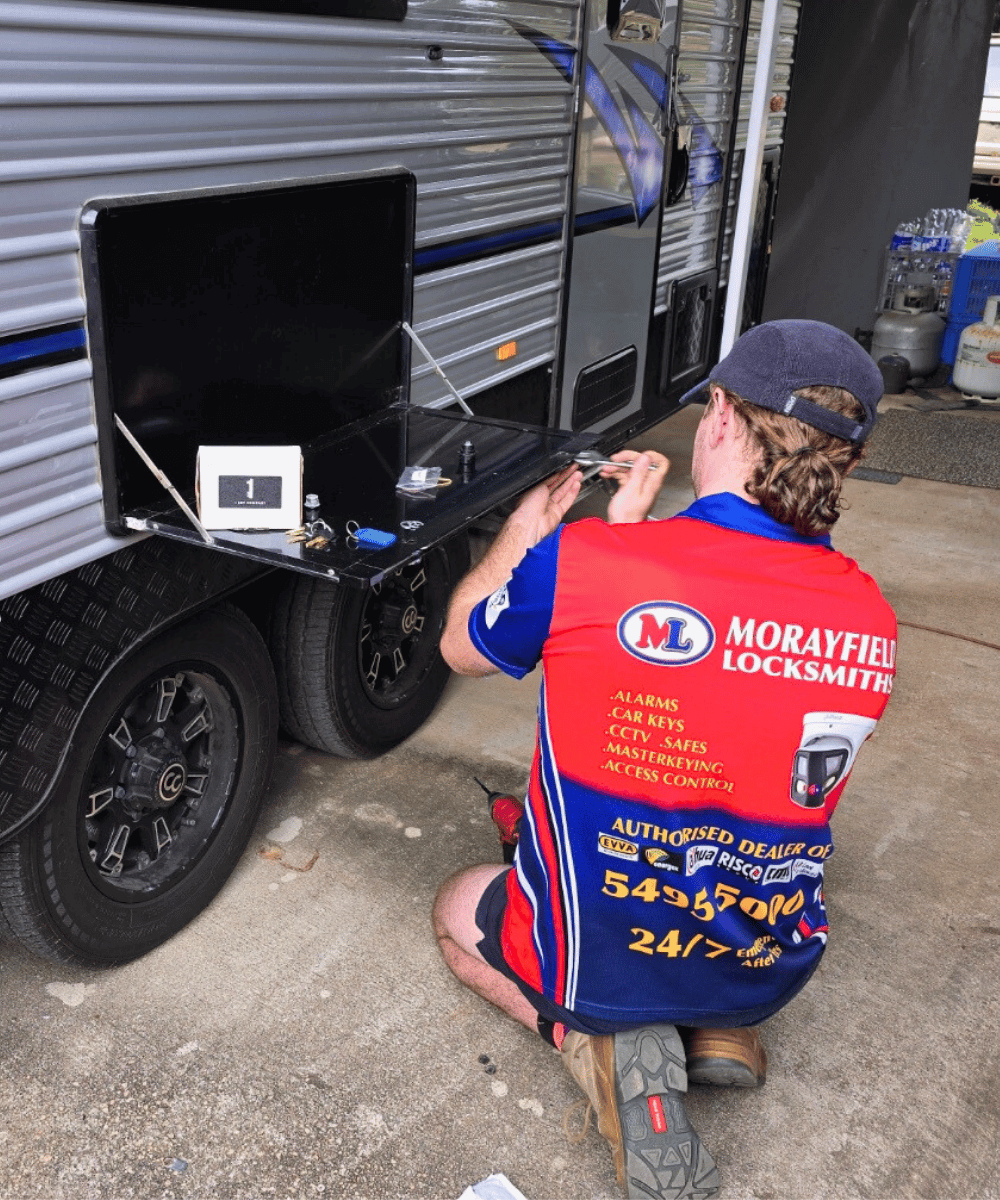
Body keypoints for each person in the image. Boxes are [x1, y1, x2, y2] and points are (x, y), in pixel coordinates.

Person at [432, 320, 897, 1200]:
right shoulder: (869, 616)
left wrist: (531, 538)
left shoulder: (587, 561)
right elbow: (745, 756)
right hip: (766, 961)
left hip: (608, 946)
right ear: (848, 462)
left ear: (719, 417)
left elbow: (461, 643)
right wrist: (632, 546)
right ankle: (717, 1028)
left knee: (459, 908)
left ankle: (600, 1049)